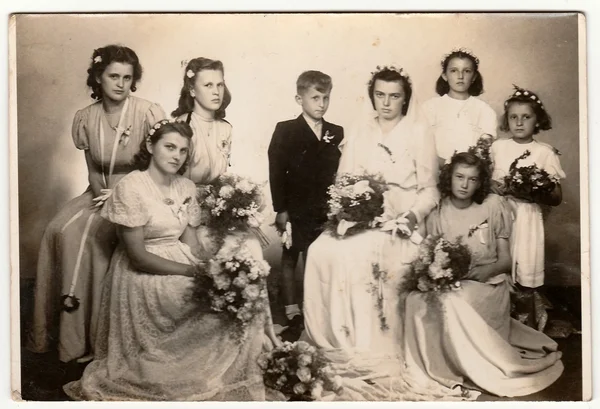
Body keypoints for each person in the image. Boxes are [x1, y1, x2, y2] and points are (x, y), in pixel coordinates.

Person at [63, 120, 279, 401]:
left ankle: (216, 367)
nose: (176, 155)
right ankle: (186, 369)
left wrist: (220, 269)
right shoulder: (131, 187)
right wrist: (194, 272)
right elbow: (138, 257)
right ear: (151, 147)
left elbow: (190, 243)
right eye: (170, 147)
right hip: (144, 272)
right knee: (199, 300)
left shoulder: (186, 186)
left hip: (180, 258)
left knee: (230, 293)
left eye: (183, 150)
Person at [301, 65, 453, 400]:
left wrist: (413, 215)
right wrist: (350, 209)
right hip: (362, 213)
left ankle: (368, 346)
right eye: (380, 95)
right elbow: (344, 181)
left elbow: (430, 190)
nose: (386, 102)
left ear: (405, 99)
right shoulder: (361, 129)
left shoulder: (418, 131)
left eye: (394, 96)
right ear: (372, 96)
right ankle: (334, 339)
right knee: (320, 250)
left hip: (401, 216)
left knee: (361, 255)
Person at [27, 45, 166, 363]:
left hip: (139, 191)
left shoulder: (147, 112)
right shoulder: (86, 118)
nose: (121, 83)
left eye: (127, 77)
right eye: (113, 76)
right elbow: (92, 168)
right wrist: (102, 192)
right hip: (99, 190)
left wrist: (122, 195)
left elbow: (158, 166)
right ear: (98, 78)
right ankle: (69, 337)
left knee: (91, 239)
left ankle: (99, 341)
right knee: (58, 230)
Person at [403, 152, 564, 398]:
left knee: (452, 301)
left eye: (472, 179)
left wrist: (482, 271)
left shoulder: (492, 205)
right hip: (453, 281)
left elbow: (505, 260)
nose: (465, 184)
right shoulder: (438, 210)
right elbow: (429, 252)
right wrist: (438, 274)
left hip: (487, 284)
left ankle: (465, 364)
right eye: (459, 177)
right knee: (415, 299)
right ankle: (436, 365)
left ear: (481, 182)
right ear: (450, 177)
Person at [267, 70, 344, 335]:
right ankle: (291, 309)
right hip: (295, 206)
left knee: (317, 256)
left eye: (326, 98)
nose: (321, 104)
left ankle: (314, 307)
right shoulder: (286, 129)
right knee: (290, 256)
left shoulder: (336, 131)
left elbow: (340, 172)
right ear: (299, 99)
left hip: (323, 208)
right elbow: (276, 171)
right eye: (315, 98)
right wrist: (281, 209)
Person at [490, 86, 565, 331]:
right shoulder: (497, 148)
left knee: (524, 268)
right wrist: (493, 185)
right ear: (506, 120)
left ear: (537, 120)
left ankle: (527, 326)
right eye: (513, 117)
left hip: (527, 218)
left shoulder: (544, 152)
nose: (519, 122)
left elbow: (555, 196)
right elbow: (485, 181)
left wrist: (530, 190)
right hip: (500, 214)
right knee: (500, 268)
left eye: (526, 117)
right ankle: (501, 323)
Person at [422, 48, 497, 164]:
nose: (460, 76)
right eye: (454, 71)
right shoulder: (429, 107)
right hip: (436, 170)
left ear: (474, 77)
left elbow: (484, 151)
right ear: (444, 75)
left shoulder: (485, 110)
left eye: (467, 71)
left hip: (470, 173)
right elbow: (422, 147)